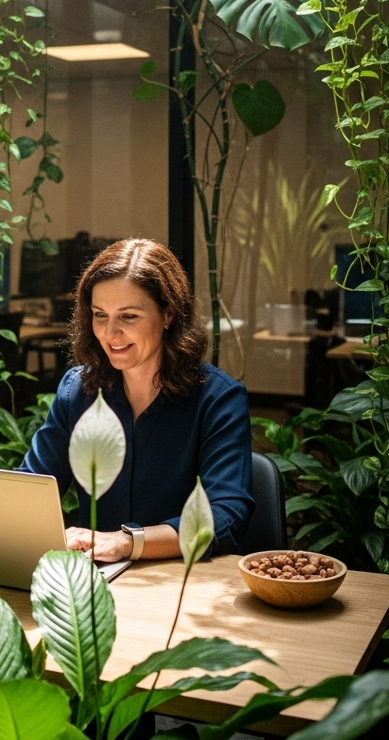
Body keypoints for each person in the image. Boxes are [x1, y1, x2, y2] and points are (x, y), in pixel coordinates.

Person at [20, 238, 254, 562]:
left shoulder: (218, 399)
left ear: (168, 314)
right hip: (96, 577)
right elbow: (31, 490)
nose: (110, 332)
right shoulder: (78, 391)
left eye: (128, 316)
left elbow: (226, 516)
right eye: (100, 315)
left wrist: (128, 542)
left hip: (182, 578)